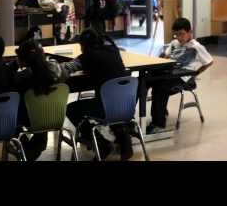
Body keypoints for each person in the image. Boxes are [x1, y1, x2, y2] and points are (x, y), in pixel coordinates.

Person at [65, 28, 134, 161]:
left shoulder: (88, 56)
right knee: (110, 103)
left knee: (71, 109)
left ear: (84, 45)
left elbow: (68, 68)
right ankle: (124, 143)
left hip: (106, 106)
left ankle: (100, 142)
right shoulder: (113, 50)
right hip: (125, 105)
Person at [14, 39, 80, 161]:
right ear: (42, 53)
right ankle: (28, 153)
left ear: (22, 60)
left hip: (29, 118)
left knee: (14, 118)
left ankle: (23, 151)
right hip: (52, 115)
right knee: (39, 133)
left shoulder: (21, 78)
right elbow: (69, 67)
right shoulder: (56, 71)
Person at [145, 18, 213, 134]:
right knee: (145, 80)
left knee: (160, 87)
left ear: (190, 32)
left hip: (184, 78)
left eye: (181, 34)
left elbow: (209, 61)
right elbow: (165, 57)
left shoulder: (196, 46)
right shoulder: (174, 43)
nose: (179, 37)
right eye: (176, 35)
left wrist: (195, 73)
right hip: (171, 73)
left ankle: (158, 124)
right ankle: (130, 118)